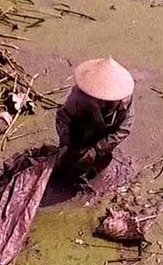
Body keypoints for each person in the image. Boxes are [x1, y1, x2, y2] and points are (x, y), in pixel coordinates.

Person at [54, 57, 136, 185]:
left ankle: (93, 166)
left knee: (99, 159)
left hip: (106, 131)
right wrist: (66, 143)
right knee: (70, 159)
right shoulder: (78, 98)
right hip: (80, 126)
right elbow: (63, 118)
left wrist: (98, 148)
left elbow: (124, 128)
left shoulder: (124, 102)